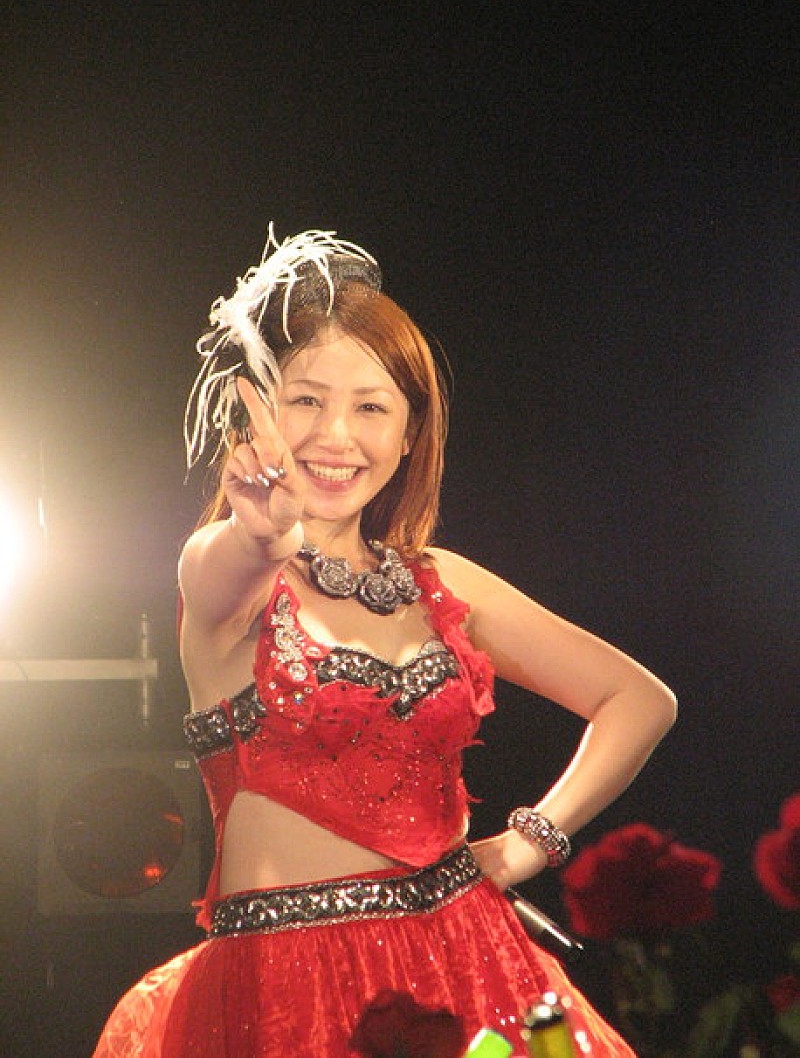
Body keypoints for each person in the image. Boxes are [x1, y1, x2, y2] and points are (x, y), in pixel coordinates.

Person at [93, 225, 677, 1057]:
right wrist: (265, 532)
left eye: (370, 407)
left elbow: (639, 701)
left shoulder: (442, 582)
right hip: (283, 997)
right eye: (306, 401)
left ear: (408, 434)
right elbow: (236, 558)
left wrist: (528, 844)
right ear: (258, 413)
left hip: (473, 968)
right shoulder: (229, 571)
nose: (336, 435)